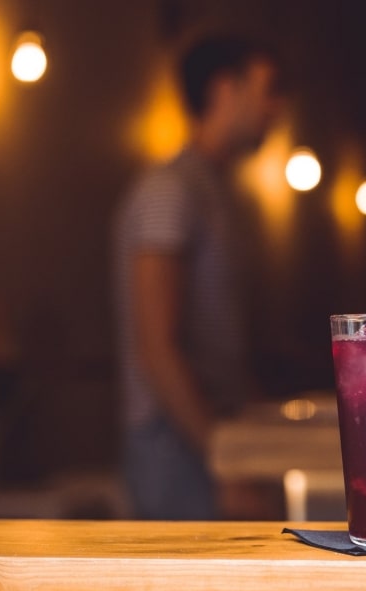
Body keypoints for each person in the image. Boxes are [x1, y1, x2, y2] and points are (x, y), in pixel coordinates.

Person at [113, 35, 283, 519]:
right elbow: (156, 348)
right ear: (225, 89)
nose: (278, 106)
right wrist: (222, 461)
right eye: (268, 89)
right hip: (176, 440)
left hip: (213, 432)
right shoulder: (169, 190)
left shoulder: (215, 191)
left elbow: (217, 339)